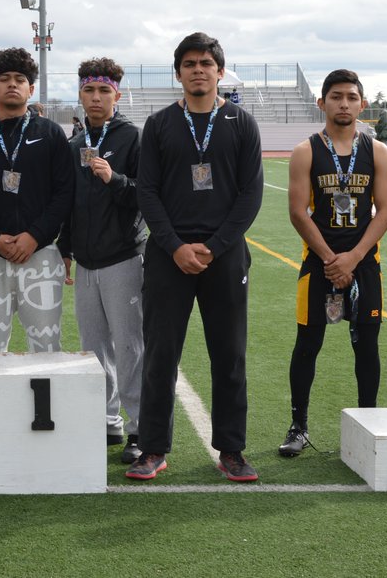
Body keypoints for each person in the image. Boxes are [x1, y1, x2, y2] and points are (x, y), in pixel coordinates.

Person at [128, 32, 264, 483]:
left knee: (229, 354)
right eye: (189, 64)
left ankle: (232, 449)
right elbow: (147, 192)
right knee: (160, 354)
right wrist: (175, 246)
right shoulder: (160, 124)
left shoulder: (241, 123)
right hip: (169, 255)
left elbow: (250, 194)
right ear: (178, 73)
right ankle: (152, 448)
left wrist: (216, 245)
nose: (198, 70)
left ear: (220, 72)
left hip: (224, 256)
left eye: (206, 63)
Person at [279, 70, 387, 457]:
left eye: (351, 97)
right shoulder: (306, 151)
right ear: (321, 103)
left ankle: (368, 423)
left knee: (367, 346)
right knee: (308, 344)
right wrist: (331, 259)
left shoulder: (378, 151)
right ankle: (298, 426)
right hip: (319, 264)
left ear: (363, 104)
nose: (344, 103)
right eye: (336, 97)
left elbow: (385, 210)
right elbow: (298, 212)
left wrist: (354, 257)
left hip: (364, 263)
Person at [58, 57, 147, 464]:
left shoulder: (133, 138)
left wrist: (116, 179)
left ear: (117, 95)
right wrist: (65, 248)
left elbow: (147, 196)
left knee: (129, 346)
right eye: (89, 90)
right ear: (80, 94)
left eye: (104, 91)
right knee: (93, 348)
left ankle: (140, 427)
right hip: (87, 261)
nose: (96, 97)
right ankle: (107, 420)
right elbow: (70, 203)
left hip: (123, 258)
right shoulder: (75, 144)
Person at [0, 48, 73, 352]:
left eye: (20, 79)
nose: (12, 84)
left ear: (31, 88)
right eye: (4, 78)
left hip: (40, 254)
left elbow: (64, 192)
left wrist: (35, 235)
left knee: (46, 344)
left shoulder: (51, 133)